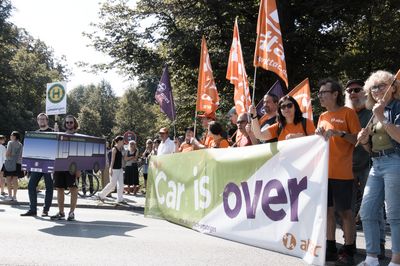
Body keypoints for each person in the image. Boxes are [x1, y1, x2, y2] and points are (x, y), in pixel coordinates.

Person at [315, 78, 361, 265]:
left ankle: (349, 249)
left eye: (324, 92)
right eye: (319, 93)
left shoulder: (348, 113)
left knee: (345, 213)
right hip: (325, 173)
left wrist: (339, 133)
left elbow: (357, 140)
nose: (320, 96)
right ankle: (331, 248)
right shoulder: (322, 116)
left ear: (335, 94)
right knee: (327, 213)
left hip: (343, 172)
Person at [357, 70, 400, 266]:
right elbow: (371, 148)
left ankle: (396, 260)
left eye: (381, 85)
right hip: (377, 163)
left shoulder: (396, 107)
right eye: (373, 87)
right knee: (367, 211)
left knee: (393, 214)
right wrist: (365, 141)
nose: (376, 90)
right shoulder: (375, 112)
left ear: (393, 88)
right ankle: (372, 258)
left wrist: (381, 116)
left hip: (395, 161)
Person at [345, 79, 387, 259]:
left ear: (364, 93)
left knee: (375, 209)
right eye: (349, 91)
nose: (353, 93)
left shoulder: (373, 112)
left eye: (357, 90)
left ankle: (379, 246)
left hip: (370, 164)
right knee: (347, 208)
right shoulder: (345, 114)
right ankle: (350, 245)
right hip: (347, 166)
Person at [21, 113, 54, 217]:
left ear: (47, 120)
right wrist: (26, 165)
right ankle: (32, 209)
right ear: (37, 121)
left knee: (49, 187)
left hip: (49, 165)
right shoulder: (34, 134)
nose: (42, 121)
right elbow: (29, 150)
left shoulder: (53, 132)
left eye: (44, 119)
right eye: (40, 119)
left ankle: (45, 210)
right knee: (31, 185)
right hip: (37, 165)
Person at [50, 115, 80, 221]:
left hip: (72, 167)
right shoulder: (60, 135)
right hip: (59, 166)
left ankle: (71, 213)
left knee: (73, 189)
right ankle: (61, 212)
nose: (69, 124)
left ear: (74, 123)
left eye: (71, 122)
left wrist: (79, 169)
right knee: (59, 189)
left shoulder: (78, 137)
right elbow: (55, 150)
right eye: (67, 123)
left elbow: (79, 154)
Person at [250, 96, 315, 142]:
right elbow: (259, 135)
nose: (286, 108)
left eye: (289, 105)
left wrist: (298, 137)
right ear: (280, 111)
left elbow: (315, 142)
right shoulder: (278, 127)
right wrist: (254, 116)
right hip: (285, 161)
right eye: (283, 107)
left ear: (295, 107)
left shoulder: (306, 122)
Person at [97, 135, 126, 204]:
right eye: (122, 141)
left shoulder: (121, 149)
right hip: (114, 169)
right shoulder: (114, 149)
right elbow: (112, 160)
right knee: (112, 185)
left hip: (120, 169)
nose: (123, 142)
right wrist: (110, 169)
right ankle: (101, 194)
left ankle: (120, 198)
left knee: (121, 185)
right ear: (118, 141)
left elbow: (123, 159)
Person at [2, 131, 23, 201]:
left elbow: (7, 154)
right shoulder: (20, 144)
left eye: (11, 135)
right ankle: (14, 196)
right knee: (15, 180)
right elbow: (21, 155)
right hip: (18, 163)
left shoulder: (10, 143)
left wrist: (9, 155)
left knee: (8, 180)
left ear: (14, 136)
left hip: (10, 163)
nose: (10, 136)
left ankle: (10, 196)